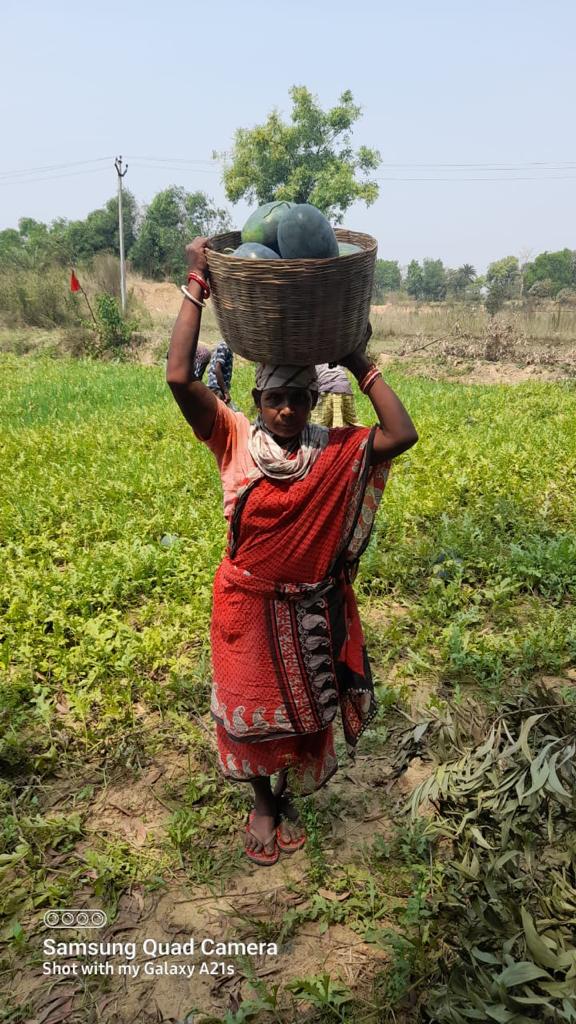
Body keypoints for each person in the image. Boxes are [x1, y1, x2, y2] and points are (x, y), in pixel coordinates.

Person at [166, 238, 418, 867]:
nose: (284, 409)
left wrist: (360, 360)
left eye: (297, 399)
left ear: (312, 402)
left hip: (307, 605)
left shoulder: (331, 449)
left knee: (303, 709)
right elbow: (177, 376)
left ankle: (286, 794)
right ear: (254, 402)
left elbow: (401, 433)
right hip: (247, 606)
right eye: (273, 399)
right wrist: (197, 281)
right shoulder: (232, 438)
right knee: (251, 710)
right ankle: (261, 802)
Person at [311, 362, 363, 427]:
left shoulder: (314, 362)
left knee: (317, 424)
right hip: (345, 388)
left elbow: (312, 385)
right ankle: (367, 434)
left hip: (327, 390)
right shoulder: (335, 359)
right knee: (352, 422)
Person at [207, 340, 234, 404]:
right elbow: (217, 370)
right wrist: (225, 392)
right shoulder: (224, 347)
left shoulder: (227, 347)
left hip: (219, 388)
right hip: (217, 389)